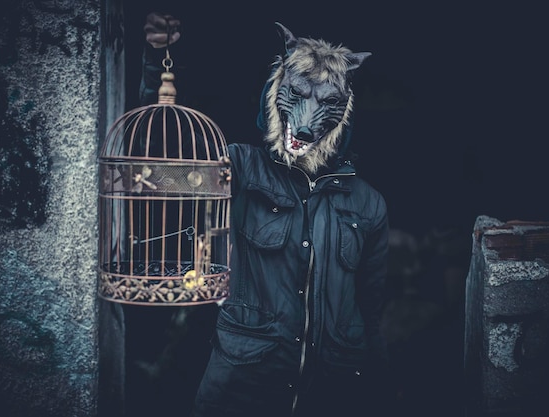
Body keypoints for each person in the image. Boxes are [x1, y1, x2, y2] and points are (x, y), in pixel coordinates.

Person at [140, 12, 393, 417]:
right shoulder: (239, 168)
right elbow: (161, 173)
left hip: (334, 391)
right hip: (241, 389)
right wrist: (159, 66)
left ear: (344, 111)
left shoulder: (368, 203)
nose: (308, 120)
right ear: (275, 90)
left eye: (325, 101)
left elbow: (371, 310)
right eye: (297, 94)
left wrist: (378, 388)